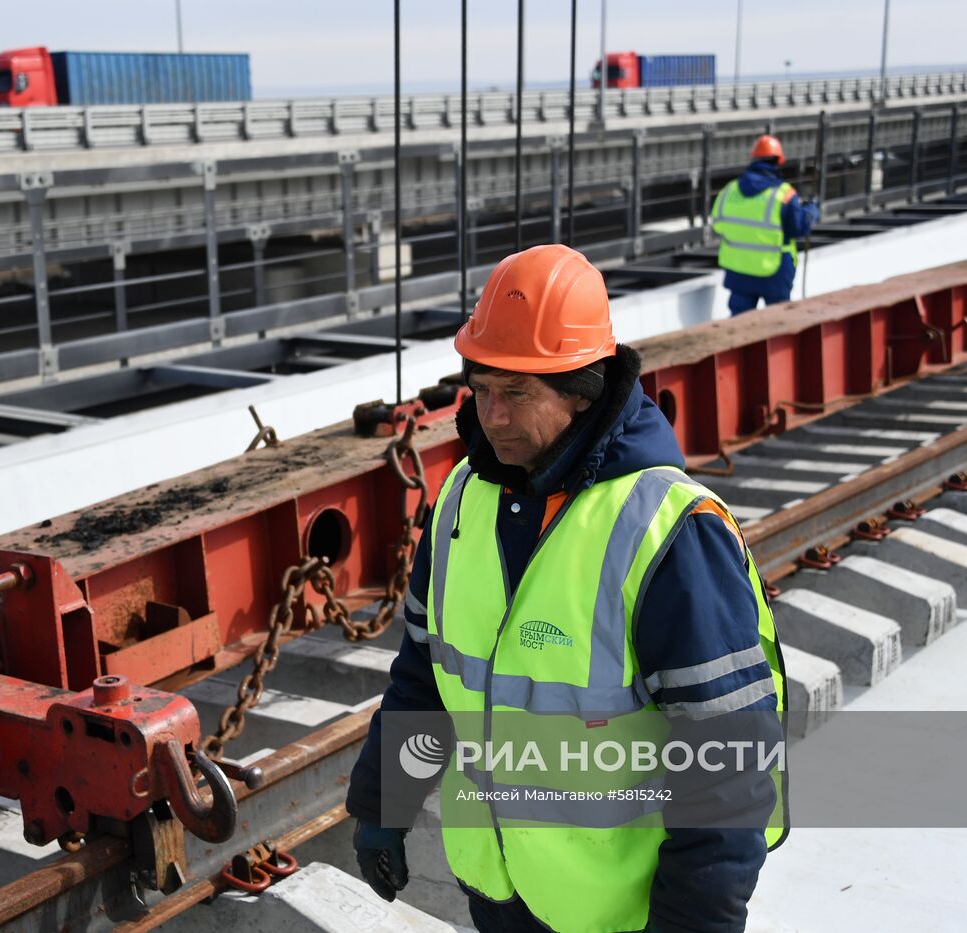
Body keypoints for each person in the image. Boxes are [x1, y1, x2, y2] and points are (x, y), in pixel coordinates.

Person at [346, 243, 787, 933]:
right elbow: (424, 674)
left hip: (617, 912)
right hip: (499, 889)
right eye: (481, 388)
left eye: (516, 393)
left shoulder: (669, 531)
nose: (491, 417)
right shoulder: (463, 500)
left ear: (581, 390)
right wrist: (382, 804)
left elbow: (726, 769)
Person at [712, 134, 820, 315]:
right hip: (774, 272)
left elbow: (717, 225)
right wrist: (811, 209)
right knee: (777, 324)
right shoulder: (783, 194)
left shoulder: (729, 190)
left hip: (739, 272)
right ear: (778, 162)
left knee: (739, 326)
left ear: (753, 159)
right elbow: (799, 227)